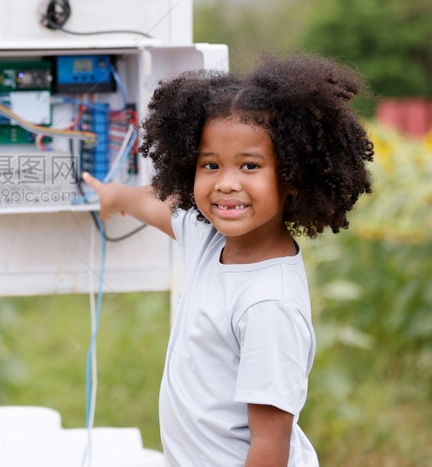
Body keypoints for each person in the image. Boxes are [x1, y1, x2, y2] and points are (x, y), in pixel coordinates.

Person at [83, 54, 374, 467]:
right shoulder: (208, 237)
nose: (226, 183)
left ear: (292, 176)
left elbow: (270, 445)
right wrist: (114, 197)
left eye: (250, 165)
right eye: (210, 164)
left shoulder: (269, 305)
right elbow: (156, 204)